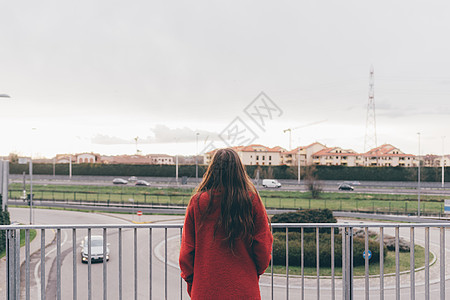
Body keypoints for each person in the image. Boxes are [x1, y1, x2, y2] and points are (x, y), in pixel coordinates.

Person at [179, 148, 273, 299]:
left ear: (212, 170)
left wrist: (193, 282)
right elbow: (263, 247)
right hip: (244, 289)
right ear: (239, 171)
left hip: (205, 289)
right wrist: (251, 273)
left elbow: (187, 251)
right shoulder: (251, 201)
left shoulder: (197, 202)